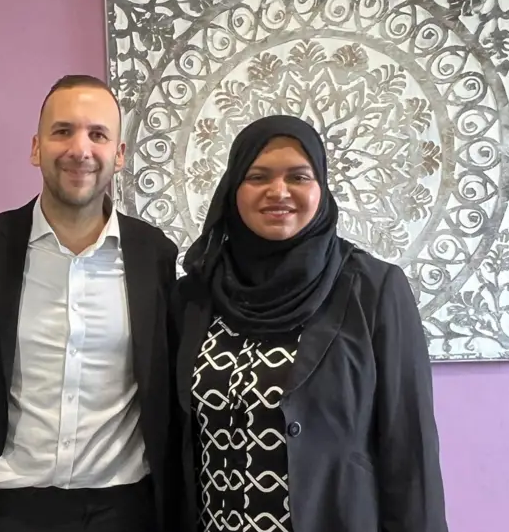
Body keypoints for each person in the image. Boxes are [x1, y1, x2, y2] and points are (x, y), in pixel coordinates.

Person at [168, 115, 449, 532]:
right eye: (257, 176)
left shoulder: (372, 289)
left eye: (299, 176)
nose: (278, 191)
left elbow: (410, 450)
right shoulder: (194, 296)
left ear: (321, 188)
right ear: (232, 190)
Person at [0, 74, 179, 532]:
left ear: (120, 155)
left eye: (98, 134)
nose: (80, 149)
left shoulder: (155, 256)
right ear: (36, 148)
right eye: (62, 131)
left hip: (127, 512)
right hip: (11, 509)